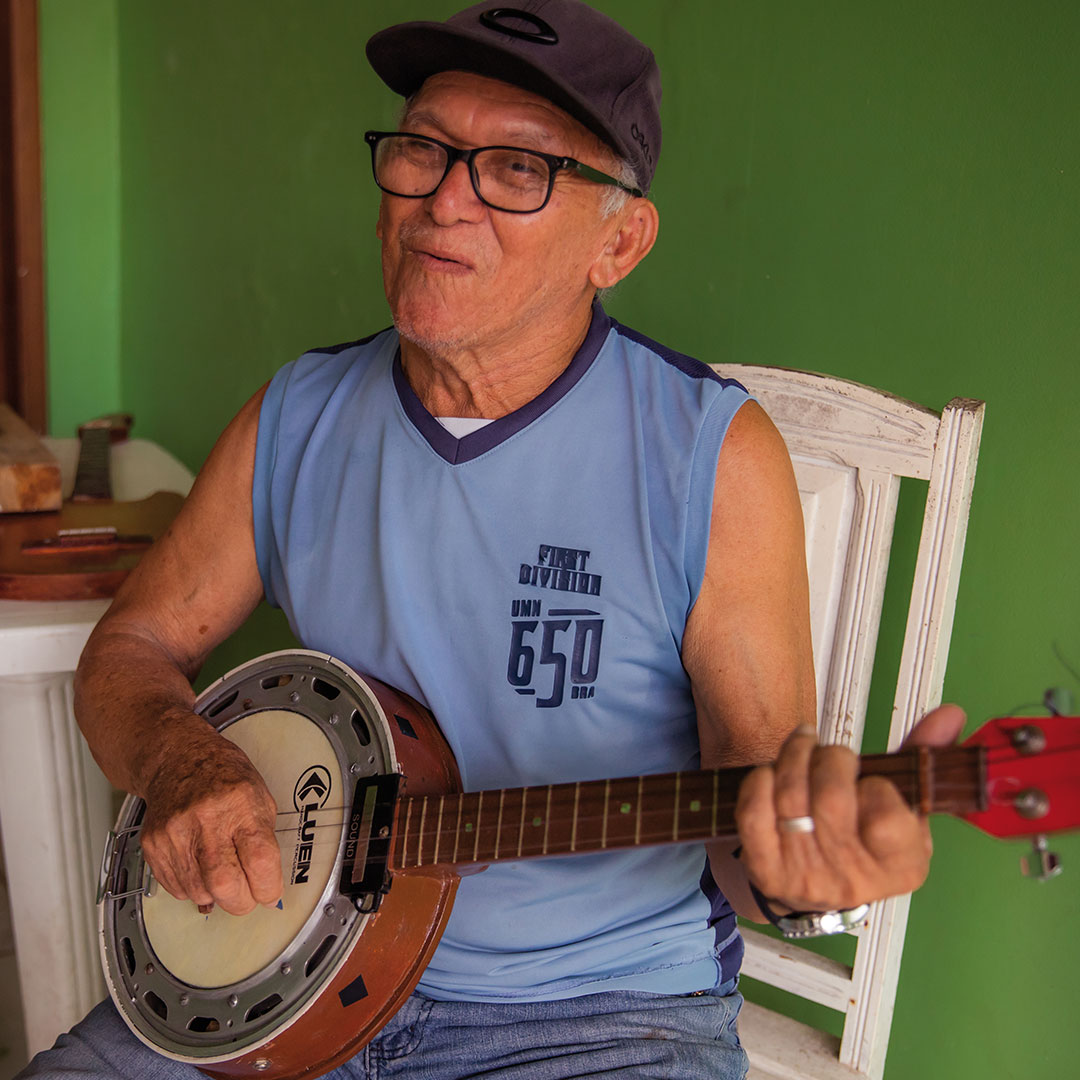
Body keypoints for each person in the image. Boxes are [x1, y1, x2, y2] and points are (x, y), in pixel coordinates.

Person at [20, 2, 964, 1078]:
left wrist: (815, 869)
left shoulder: (708, 455)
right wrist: (178, 756)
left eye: (517, 169)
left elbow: (753, 828)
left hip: (591, 1018)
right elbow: (130, 649)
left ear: (619, 241)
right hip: (281, 976)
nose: (442, 200)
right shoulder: (296, 413)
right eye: (422, 150)